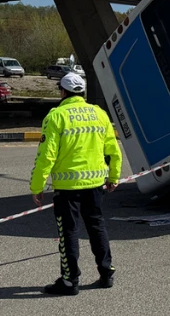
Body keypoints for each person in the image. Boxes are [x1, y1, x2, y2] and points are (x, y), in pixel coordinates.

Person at [30, 73, 123, 295]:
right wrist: (113, 177)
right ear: (82, 92)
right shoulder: (99, 114)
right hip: (95, 185)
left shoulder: (56, 116)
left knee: (69, 232)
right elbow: (113, 150)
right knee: (97, 226)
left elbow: (46, 155)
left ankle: (70, 281)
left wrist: (37, 186)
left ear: (62, 92)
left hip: (67, 188)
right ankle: (106, 272)